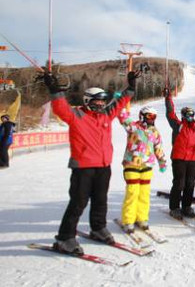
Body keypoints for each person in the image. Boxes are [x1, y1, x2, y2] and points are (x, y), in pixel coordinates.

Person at [42, 70, 138, 254]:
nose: (101, 104)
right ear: (87, 101)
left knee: (101, 200)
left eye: (103, 101)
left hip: (103, 166)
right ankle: (65, 238)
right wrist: (54, 88)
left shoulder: (105, 116)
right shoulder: (77, 116)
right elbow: (61, 107)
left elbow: (120, 103)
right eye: (97, 101)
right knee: (78, 202)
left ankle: (98, 228)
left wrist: (131, 87)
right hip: (83, 167)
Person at [117, 106, 167, 233]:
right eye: (150, 116)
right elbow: (122, 118)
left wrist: (162, 162)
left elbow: (158, 148)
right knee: (132, 192)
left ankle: (142, 218)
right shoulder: (133, 127)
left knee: (144, 193)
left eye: (154, 117)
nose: (152, 119)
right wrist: (122, 102)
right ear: (142, 116)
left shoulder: (155, 132)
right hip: (131, 164)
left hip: (147, 165)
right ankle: (128, 220)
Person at [165, 88, 195, 220]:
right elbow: (170, 113)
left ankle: (186, 206)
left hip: (192, 160)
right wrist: (168, 99)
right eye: (187, 115)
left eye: (191, 115)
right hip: (179, 158)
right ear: (183, 115)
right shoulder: (178, 125)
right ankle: (174, 207)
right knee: (179, 183)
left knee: (190, 183)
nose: (190, 117)